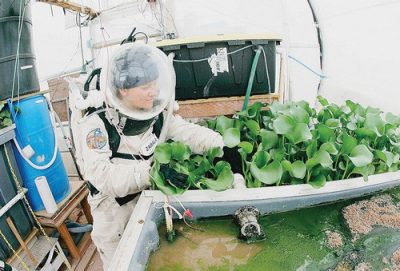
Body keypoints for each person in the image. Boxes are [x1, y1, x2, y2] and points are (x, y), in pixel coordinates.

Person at [78, 43, 224, 269]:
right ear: (123, 89)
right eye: (146, 87)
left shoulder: (155, 114)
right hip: (113, 215)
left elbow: (187, 132)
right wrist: (152, 172)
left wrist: (218, 143)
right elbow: (102, 176)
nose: (154, 92)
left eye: (155, 85)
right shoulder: (96, 124)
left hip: (148, 202)